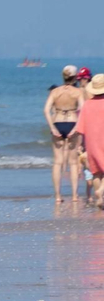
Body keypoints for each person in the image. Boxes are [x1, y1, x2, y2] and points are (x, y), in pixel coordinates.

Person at [47, 67, 86, 202]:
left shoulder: (55, 91)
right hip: (72, 122)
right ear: (75, 77)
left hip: (57, 122)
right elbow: (83, 110)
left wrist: (52, 128)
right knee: (73, 163)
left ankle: (58, 196)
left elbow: (46, 110)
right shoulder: (78, 92)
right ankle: (74, 195)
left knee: (57, 162)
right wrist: (76, 128)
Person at [77, 74, 104, 208]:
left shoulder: (87, 105)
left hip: (92, 142)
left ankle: (100, 199)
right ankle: (101, 192)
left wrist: (80, 146)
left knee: (96, 172)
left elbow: (80, 128)